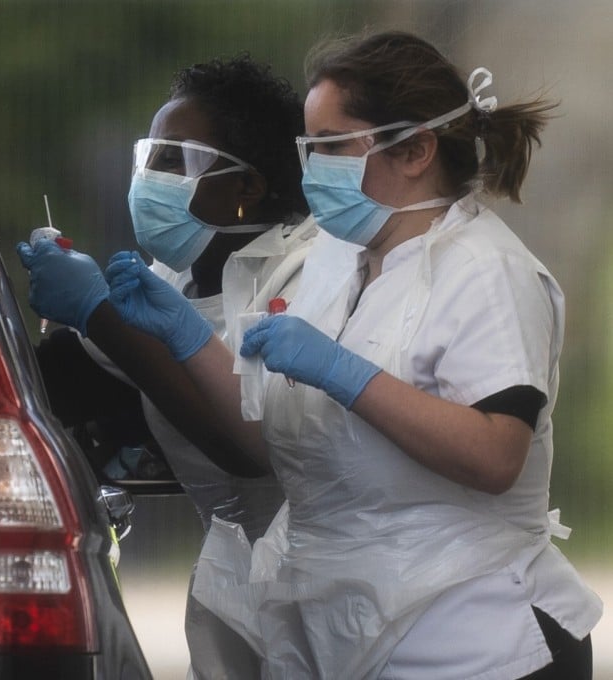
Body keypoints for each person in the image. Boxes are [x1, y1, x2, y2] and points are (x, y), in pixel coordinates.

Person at [101, 30, 602, 679]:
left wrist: (346, 374)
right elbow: (262, 445)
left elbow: (495, 455)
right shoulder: (336, 260)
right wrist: (184, 336)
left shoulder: (488, 271)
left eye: (334, 147)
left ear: (417, 149)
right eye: (309, 147)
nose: (312, 169)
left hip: (478, 641)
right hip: (352, 636)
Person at [18, 55, 315, 679]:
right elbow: (62, 379)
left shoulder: (306, 279)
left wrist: (99, 315)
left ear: (247, 187)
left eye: (174, 162)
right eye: (149, 156)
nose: (148, 179)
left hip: (323, 588)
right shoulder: (172, 278)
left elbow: (248, 445)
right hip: (236, 588)